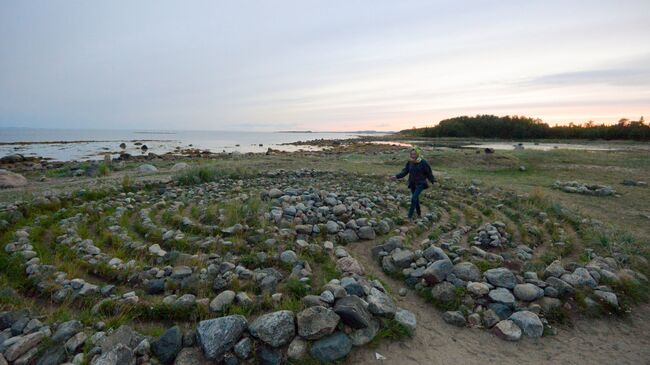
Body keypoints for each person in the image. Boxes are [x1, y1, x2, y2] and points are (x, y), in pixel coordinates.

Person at [389, 147, 435, 219]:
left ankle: (409, 216)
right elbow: (405, 171)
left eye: (414, 154)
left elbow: (429, 172)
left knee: (413, 198)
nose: (413, 156)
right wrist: (396, 176)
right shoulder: (410, 162)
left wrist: (432, 180)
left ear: (418, 154)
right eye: (411, 154)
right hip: (412, 183)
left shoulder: (423, 162)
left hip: (421, 183)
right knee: (415, 199)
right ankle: (419, 214)